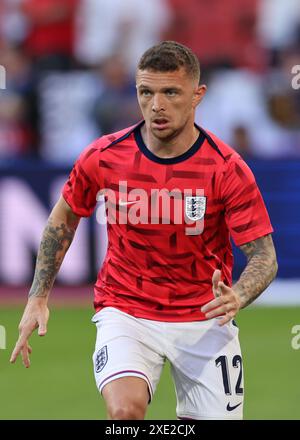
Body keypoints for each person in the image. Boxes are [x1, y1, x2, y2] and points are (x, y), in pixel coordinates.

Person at [10, 41, 278, 420]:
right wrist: (38, 297)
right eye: (146, 92)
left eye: (170, 92)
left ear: (197, 95)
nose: (156, 105)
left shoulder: (226, 168)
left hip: (204, 318)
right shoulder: (105, 156)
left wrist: (237, 295)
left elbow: (264, 256)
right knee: (125, 412)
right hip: (126, 309)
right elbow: (62, 219)